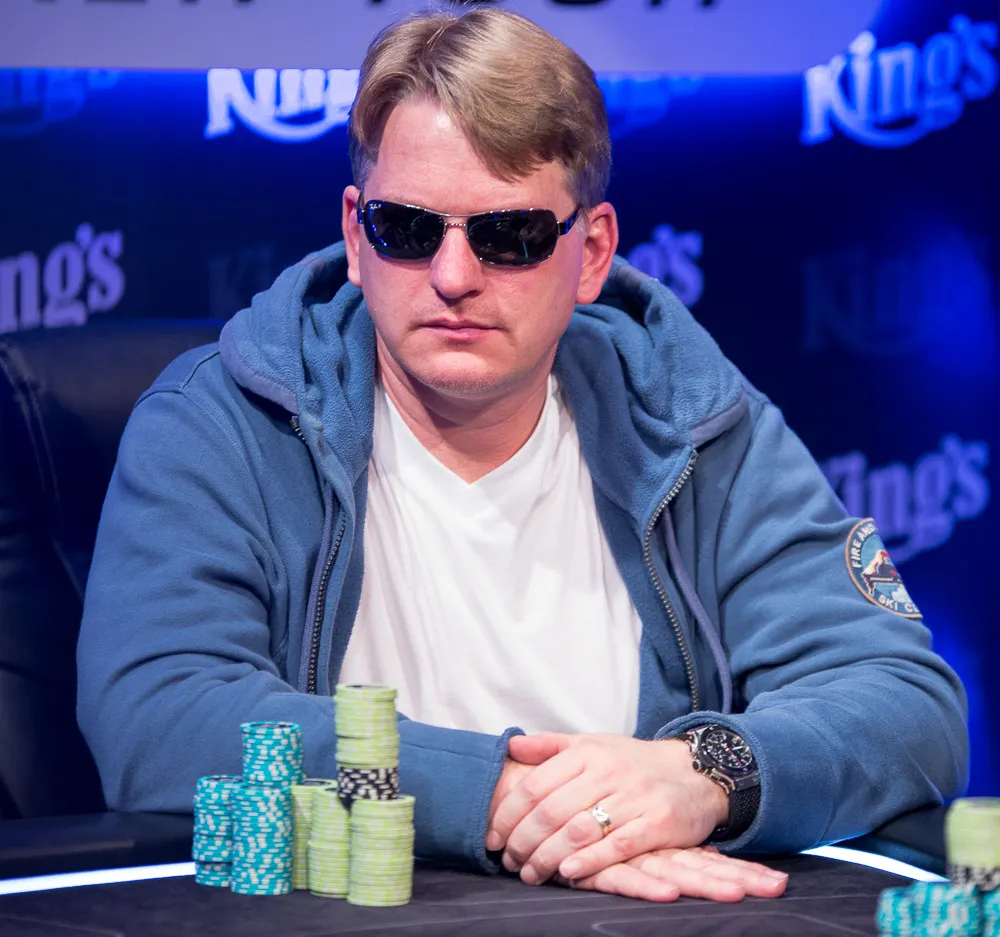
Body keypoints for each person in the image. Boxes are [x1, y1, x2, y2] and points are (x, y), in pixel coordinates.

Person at [77, 8, 968, 904]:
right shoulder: (222, 421)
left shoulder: (692, 421)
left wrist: (702, 772)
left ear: (592, 253)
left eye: (508, 236)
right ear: (354, 235)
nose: (453, 276)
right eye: (407, 229)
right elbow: (158, 714)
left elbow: (904, 700)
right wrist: (499, 797)